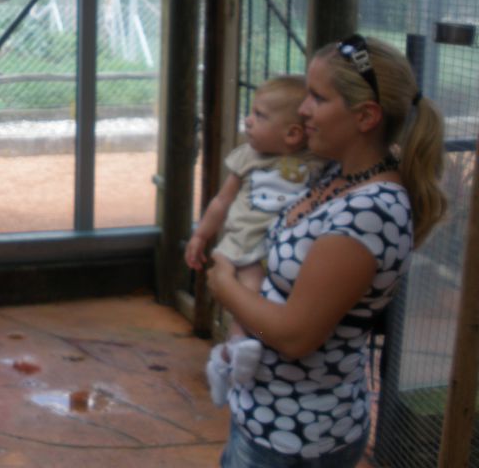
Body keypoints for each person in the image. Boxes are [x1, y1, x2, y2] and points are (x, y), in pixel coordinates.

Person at [207, 34, 447, 467]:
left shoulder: (370, 211)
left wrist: (224, 285)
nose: (303, 109)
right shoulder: (334, 173)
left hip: (296, 437)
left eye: (317, 98)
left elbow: (295, 337)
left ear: (366, 116)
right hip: (265, 415)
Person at [185, 75, 322, 405]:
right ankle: (235, 349)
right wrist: (201, 234)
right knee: (249, 291)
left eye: (260, 116)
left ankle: (231, 357)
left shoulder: (315, 163)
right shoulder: (246, 156)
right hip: (246, 243)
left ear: (292, 134)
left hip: (285, 247)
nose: (248, 119)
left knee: (270, 298)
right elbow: (221, 201)